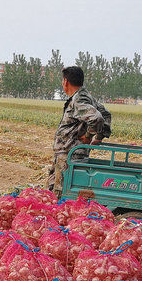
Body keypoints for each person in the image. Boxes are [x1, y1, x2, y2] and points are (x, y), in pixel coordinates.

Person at [47, 66, 111, 195]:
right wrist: (99, 136)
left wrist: (89, 136)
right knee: (52, 187)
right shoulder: (85, 96)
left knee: (60, 193)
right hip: (69, 153)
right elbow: (106, 115)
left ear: (66, 81)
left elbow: (97, 118)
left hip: (69, 154)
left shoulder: (78, 100)